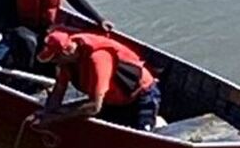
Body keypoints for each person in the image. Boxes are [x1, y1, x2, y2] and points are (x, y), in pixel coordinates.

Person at [32, 29, 160, 131]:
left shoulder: (98, 58)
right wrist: (46, 112)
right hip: (112, 100)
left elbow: (95, 106)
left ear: (66, 52)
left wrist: (53, 119)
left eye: (55, 58)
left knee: (140, 136)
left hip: (141, 96)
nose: (55, 63)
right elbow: (59, 90)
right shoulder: (67, 62)